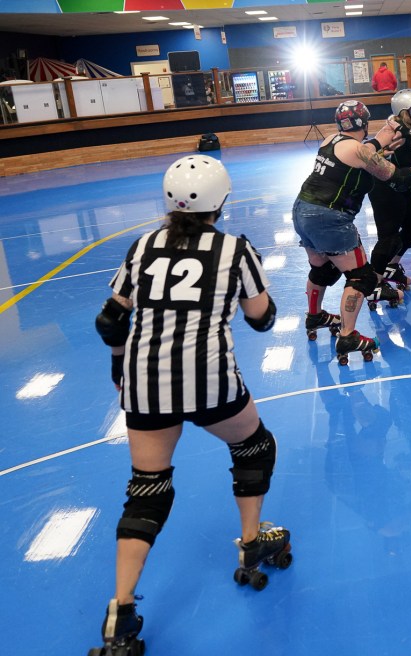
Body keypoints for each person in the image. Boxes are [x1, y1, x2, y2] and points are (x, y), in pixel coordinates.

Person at [89, 155, 289, 654]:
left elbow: (111, 322)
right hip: (209, 380)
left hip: (145, 381)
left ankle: (121, 611)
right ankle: (250, 545)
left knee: (147, 490)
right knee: (254, 447)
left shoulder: (143, 246)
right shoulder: (234, 249)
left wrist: (120, 367)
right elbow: (261, 319)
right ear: (221, 201)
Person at [293, 100, 411, 363]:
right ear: (365, 122)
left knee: (322, 269)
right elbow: (396, 177)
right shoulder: (359, 150)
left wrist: (380, 143)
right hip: (330, 217)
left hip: (302, 211)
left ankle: (315, 315)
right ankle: (348, 335)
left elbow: (360, 152)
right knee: (360, 278)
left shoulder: (330, 139)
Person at [366, 88, 411, 292]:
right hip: (385, 191)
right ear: (406, 111)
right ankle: (373, 286)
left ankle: (391, 266)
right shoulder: (395, 132)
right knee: (388, 240)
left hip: (403, 188)